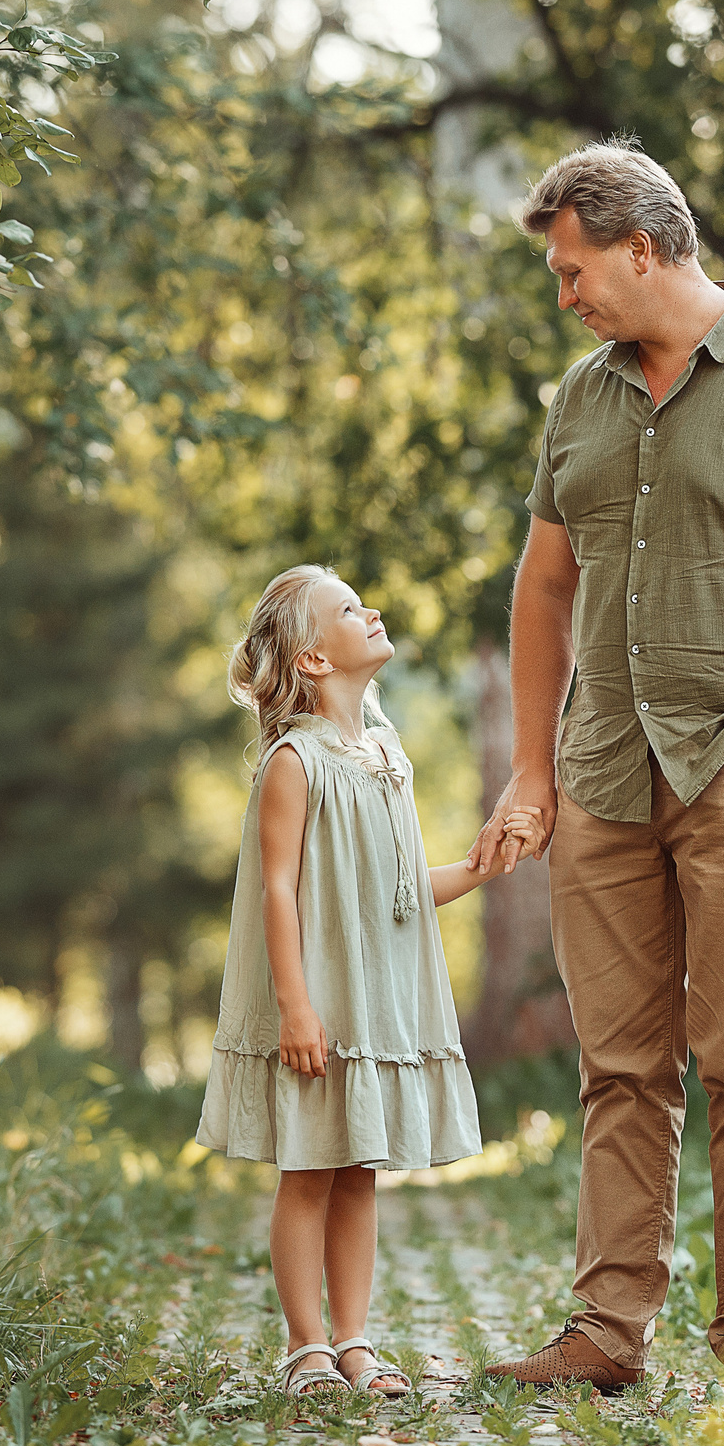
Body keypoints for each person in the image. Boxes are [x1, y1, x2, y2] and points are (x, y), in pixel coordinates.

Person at [469, 138, 724, 1399]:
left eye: (573, 268)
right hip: (603, 767)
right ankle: (606, 1331)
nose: (566, 294)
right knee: (618, 1061)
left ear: (641, 249)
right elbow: (542, 586)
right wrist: (530, 771)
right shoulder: (580, 400)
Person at [197, 564, 543, 1401]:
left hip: (372, 999)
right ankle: (304, 1346)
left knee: (358, 1170)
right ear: (313, 659)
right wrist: (295, 1006)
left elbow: (397, 887)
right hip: (317, 998)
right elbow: (277, 889)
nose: (372, 609)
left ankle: (354, 1339)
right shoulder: (292, 761)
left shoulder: (387, 754)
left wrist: (476, 865)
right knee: (307, 1169)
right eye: (349, 609)